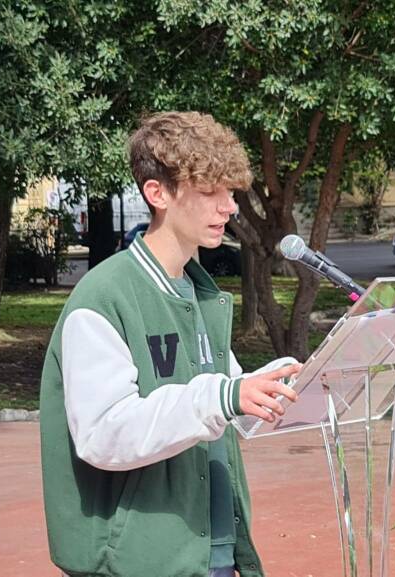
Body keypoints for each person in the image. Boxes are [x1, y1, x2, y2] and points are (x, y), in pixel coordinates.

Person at [40, 112, 302, 577]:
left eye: (231, 192)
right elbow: (103, 435)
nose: (229, 207)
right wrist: (224, 396)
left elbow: (226, 400)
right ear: (157, 194)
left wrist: (274, 386)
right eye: (209, 192)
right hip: (141, 561)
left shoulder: (200, 292)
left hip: (211, 553)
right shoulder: (104, 297)